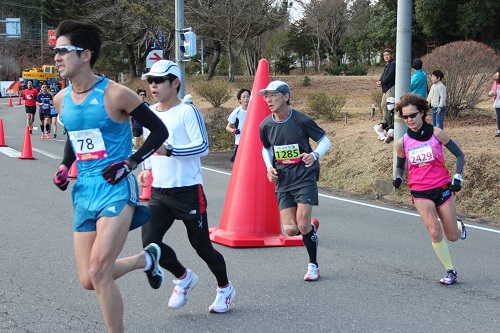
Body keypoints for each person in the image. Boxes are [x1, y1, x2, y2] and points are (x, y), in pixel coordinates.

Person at [51, 20, 169, 332]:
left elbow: (159, 130)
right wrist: (65, 166)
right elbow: (76, 137)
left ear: (85, 54)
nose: (57, 57)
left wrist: (130, 163)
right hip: (84, 191)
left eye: (63, 51)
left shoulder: (116, 94)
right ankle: (145, 260)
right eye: (55, 51)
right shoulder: (61, 100)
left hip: (116, 187)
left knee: (99, 271)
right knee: (88, 279)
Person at [138, 59, 235, 313]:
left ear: (175, 83)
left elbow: (202, 147)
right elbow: (149, 147)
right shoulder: (150, 112)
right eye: (150, 81)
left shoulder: (188, 112)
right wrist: (145, 169)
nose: (153, 85)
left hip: (189, 191)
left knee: (201, 246)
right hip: (160, 191)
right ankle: (183, 277)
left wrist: (169, 149)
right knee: (150, 241)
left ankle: (225, 288)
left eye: (158, 81)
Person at [259, 80, 331, 282]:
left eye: (273, 95)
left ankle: (313, 265)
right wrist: (269, 168)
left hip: (304, 177)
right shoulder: (266, 125)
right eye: (266, 96)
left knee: (303, 224)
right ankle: (309, 229)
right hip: (282, 179)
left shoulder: (301, 120)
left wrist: (314, 155)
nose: (269, 99)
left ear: (286, 97)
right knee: (291, 230)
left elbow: (325, 140)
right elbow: (266, 148)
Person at [393, 93, 466, 285]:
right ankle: (450, 271)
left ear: (422, 113)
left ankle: (457, 225)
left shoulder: (437, 133)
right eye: (405, 116)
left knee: (452, 236)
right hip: (419, 191)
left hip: (442, 188)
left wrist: (457, 177)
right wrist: (399, 177)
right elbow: (400, 165)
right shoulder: (403, 142)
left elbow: (459, 155)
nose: (409, 119)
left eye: (412, 115)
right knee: (434, 231)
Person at [225, 88, 250, 162]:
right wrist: (234, 130)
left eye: (248, 96)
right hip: (240, 142)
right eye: (244, 97)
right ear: (239, 100)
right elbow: (227, 127)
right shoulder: (237, 111)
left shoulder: (253, 110)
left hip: (250, 142)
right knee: (236, 163)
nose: (246, 99)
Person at [376, 48, 396, 119]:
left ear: (392, 55)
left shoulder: (393, 64)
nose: (386, 56)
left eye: (388, 55)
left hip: (391, 88)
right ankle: (385, 122)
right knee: (383, 106)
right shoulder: (387, 64)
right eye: (384, 55)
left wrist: (382, 82)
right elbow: (384, 74)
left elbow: (390, 75)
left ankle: (390, 124)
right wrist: (379, 81)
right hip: (385, 88)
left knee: (389, 107)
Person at [488, 67, 500, 137]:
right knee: (499, 117)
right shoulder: (496, 82)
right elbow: (493, 90)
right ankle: (499, 131)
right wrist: (492, 93)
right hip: (498, 102)